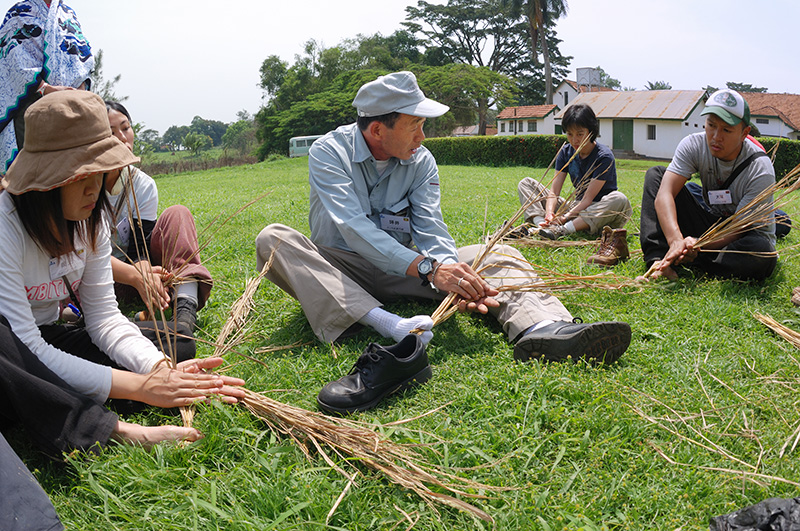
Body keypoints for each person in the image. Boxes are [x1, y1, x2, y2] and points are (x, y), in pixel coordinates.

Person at [255, 72, 631, 410]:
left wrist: (452, 273)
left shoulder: (421, 161)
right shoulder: (328, 152)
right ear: (377, 131)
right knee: (273, 239)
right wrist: (429, 269)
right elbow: (353, 227)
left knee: (498, 251)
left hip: (407, 266)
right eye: (415, 125)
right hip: (343, 269)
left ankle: (545, 328)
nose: (423, 136)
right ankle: (390, 325)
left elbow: (431, 227)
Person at [0, 90, 244, 409]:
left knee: (177, 348)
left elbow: (104, 320)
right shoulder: (7, 224)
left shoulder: (92, 219)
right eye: (81, 174)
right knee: (23, 382)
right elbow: (24, 344)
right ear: (47, 180)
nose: (95, 187)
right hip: (12, 348)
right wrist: (141, 387)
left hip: (49, 333)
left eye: (100, 171)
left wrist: (159, 372)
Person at [639, 89, 777, 281]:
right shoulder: (693, 145)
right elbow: (665, 193)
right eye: (711, 125)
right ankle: (658, 260)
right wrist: (676, 240)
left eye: (726, 130)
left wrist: (697, 245)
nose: (715, 136)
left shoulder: (760, 168)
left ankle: (691, 259)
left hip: (740, 234)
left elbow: (739, 228)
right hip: (709, 222)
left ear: (745, 133)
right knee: (656, 176)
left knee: (761, 253)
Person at [104, 101, 212, 338]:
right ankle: (148, 314)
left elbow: (140, 246)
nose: (122, 138)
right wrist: (137, 276)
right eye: (110, 132)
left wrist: (147, 274)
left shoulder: (141, 184)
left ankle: (185, 309)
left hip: (145, 270)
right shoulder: (86, 186)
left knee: (178, 213)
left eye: (125, 128)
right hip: (108, 279)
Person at [517, 103, 632, 245]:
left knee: (620, 199)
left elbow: (588, 200)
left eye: (580, 134)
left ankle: (562, 230)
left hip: (600, 210)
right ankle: (540, 226)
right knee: (526, 183)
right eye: (569, 134)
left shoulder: (604, 157)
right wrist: (549, 214)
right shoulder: (565, 152)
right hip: (575, 207)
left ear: (591, 131)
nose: (574, 140)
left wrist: (564, 218)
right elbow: (554, 191)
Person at [0, 0, 94, 172]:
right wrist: (46, 89)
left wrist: (79, 92)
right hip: (32, 103)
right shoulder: (19, 13)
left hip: (70, 106)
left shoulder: (69, 15)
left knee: (70, 170)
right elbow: (11, 59)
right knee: (30, 173)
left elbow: (82, 56)